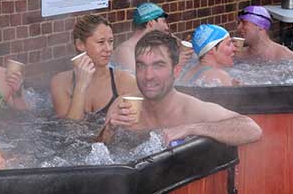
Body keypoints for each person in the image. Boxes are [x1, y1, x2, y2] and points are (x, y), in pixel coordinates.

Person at [98, 31, 262, 146]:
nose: (148, 76)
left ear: (176, 70)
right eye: (141, 66)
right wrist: (109, 130)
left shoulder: (191, 110)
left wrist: (191, 128)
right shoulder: (123, 105)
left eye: (158, 65)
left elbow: (251, 128)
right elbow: (94, 152)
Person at [50, 14, 139, 120]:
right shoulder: (60, 83)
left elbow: (136, 130)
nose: (108, 48)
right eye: (101, 42)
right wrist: (80, 86)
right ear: (80, 45)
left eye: (110, 41)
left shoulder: (125, 81)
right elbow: (70, 131)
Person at [111, 2, 194, 73]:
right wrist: (176, 64)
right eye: (164, 21)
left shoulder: (152, 44)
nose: (167, 27)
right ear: (151, 23)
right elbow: (139, 84)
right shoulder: (126, 51)